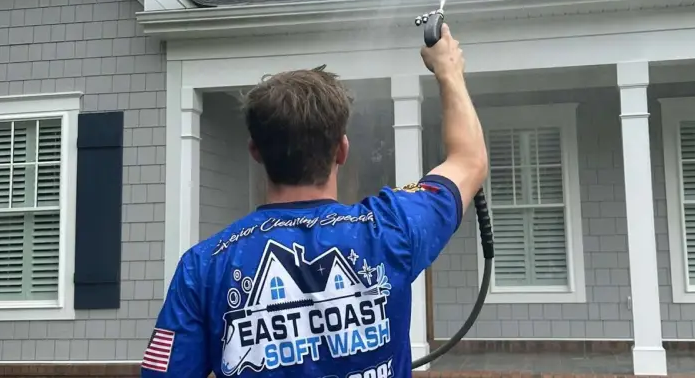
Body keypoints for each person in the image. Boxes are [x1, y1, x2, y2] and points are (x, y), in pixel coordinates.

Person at [140, 24, 488, 377]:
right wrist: (448, 70)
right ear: (342, 149)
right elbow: (469, 161)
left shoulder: (204, 267)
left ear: (255, 152)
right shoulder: (388, 230)